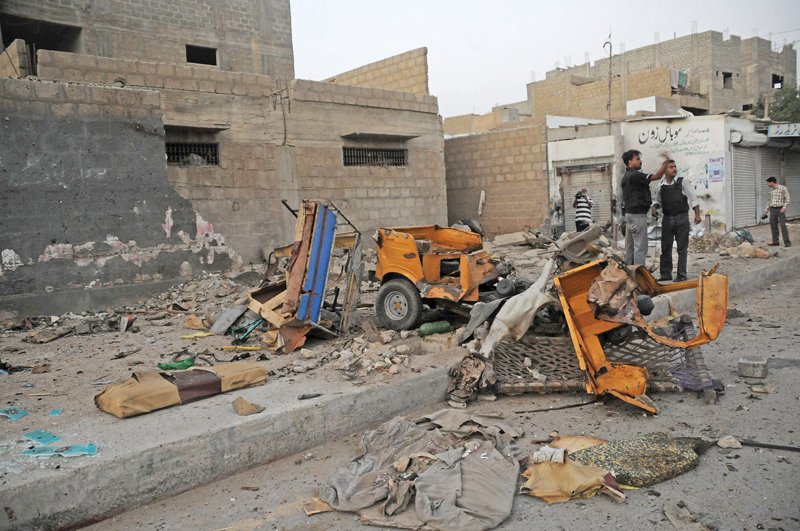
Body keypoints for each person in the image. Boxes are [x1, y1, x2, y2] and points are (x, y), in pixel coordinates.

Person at [651, 160, 701, 281]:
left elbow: (693, 199)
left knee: (681, 248)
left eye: (674, 167)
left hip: (682, 218)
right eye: (670, 167)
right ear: (664, 170)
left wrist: (697, 215)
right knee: (666, 247)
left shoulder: (682, 182)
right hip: (667, 219)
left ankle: (681, 275)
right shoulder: (660, 186)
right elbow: (657, 201)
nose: (674, 169)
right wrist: (654, 208)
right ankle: (666, 273)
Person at [620, 149, 669, 265]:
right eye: (637, 159)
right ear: (630, 161)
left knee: (630, 248)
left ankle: (628, 275)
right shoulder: (635, 175)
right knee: (640, 248)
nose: (640, 161)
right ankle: (639, 277)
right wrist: (666, 162)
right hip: (637, 216)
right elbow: (657, 176)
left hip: (629, 215)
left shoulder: (626, 176)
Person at [763, 176, 791, 247]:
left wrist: (784, 207)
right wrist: (765, 212)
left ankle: (787, 243)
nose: (768, 184)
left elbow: (788, 198)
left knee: (783, 226)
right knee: (773, 226)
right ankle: (775, 242)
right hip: (772, 210)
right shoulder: (771, 191)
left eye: (768, 183)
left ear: (772, 182)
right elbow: (769, 202)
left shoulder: (783, 188)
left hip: (780, 209)